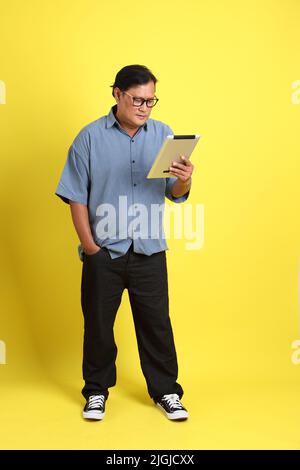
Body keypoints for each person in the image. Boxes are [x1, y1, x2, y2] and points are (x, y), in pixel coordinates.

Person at [55, 64, 194, 421]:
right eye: (138, 100)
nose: (145, 107)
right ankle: (96, 391)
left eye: (151, 101)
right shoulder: (88, 138)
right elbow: (75, 197)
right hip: (105, 252)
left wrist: (185, 179)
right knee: (99, 324)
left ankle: (166, 392)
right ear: (117, 94)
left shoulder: (164, 134)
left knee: (156, 324)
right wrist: (91, 249)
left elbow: (174, 193)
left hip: (149, 249)